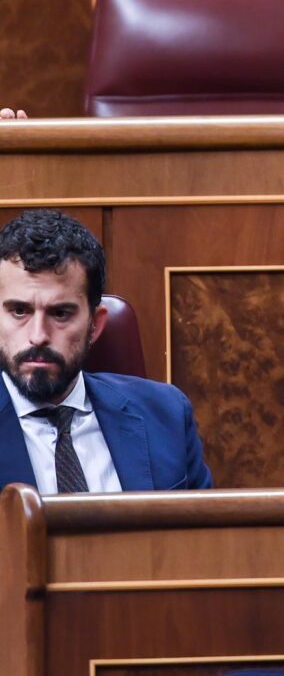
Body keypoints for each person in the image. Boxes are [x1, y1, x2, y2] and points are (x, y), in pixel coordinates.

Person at [0, 209, 212, 493]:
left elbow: (202, 522)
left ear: (95, 325)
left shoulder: (167, 415)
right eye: (19, 311)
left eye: (60, 313)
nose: (38, 336)